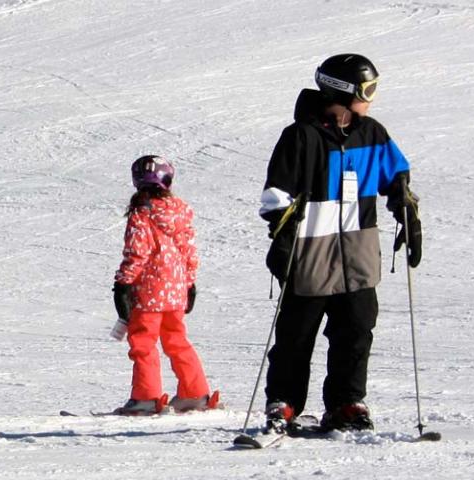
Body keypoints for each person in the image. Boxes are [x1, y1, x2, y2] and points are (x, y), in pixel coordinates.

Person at [256, 54, 422, 436]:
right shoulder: (301, 136)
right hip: (310, 255)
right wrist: (282, 237)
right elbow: (275, 196)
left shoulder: (372, 134)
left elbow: (396, 175)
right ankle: (284, 402)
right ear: (344, 91)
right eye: (368, 90)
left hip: (358, 255)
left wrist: (405, 208)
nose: (372, 98)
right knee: (296, 335)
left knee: (357, 331)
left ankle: (347, 402)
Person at [108, 156, 216, 416]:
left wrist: (123, 284)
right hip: (175, 290)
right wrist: (189, 283)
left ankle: (146, 397)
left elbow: (137, 253)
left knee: (143, 342)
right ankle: (195, 392)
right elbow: (189, 251)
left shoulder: (142, 213)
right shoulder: (178, 211)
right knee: (176, 340)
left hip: (148, 292)